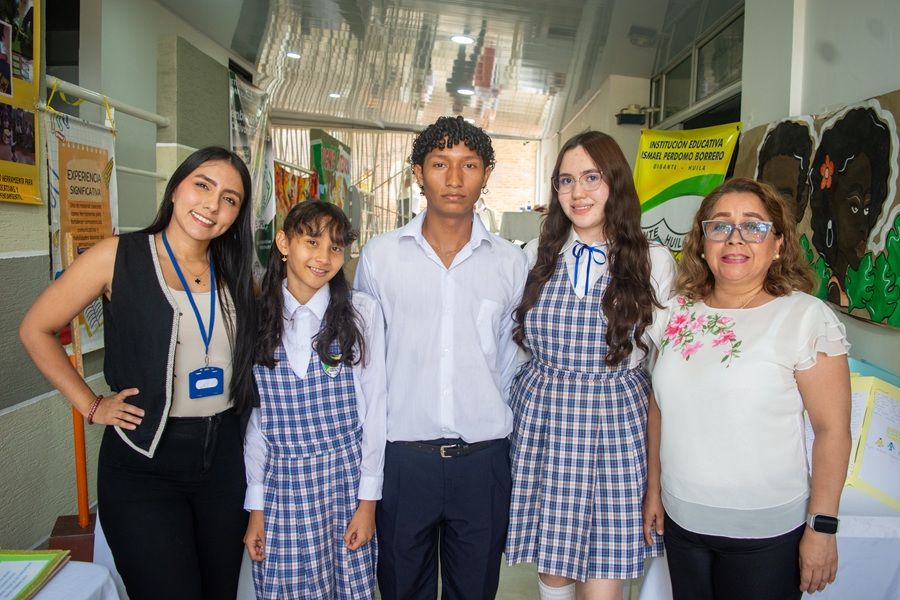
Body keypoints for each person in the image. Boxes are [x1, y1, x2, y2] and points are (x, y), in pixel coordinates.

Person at [19, 147, 258, 599]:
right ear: (176, 189)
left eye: (229, 199)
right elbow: (36, 329)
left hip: (225, 463)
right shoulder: (118, 256)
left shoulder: (235, 270)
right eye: (202, 186)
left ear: (237, 215)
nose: (212, 205)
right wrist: (91, 405)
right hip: (145, 465)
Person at [642, 177, 852, 599]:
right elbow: (660, 405)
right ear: (702, 242)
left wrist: (822, 527)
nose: (734, 238)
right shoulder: (675, 312)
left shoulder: (804, 318)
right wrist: (654, 489)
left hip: (766, 532)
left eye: (753, 226)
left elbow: (832, 431)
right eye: (719, 225)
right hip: (683, 524)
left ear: (778, 244)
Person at [354, 115, 528, 600]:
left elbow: (512, 361)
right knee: (400, 588)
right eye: (439, 164)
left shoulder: (511, 263)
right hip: (404, 461)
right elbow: (366, 364)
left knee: (474, 591)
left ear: (486, 174)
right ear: (418, 173)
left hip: (483, 462)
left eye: (468, 165)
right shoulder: (381, 257)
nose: (454, 178)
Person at [506, 131, 674, 600]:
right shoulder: (534, 256)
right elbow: (514, 351)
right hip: (544, 425)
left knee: (603, 580)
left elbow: (665, 369)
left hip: (617, 429)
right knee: (554, 574)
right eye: (566, 181)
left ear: (615, 182)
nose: (577, 192)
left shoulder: (653, 261)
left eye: (591, 178)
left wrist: (659, 476)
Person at [243, 200, 386, 599]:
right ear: (283, 243)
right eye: (312, 242)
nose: (324, 258)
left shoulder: (360, 313)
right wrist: (256, 509)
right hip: (282, 487)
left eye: (336, 247)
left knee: (349, 587)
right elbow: (258, 424)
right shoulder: (256, 317)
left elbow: (375, 410)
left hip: (344, 484)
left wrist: (368, 504)